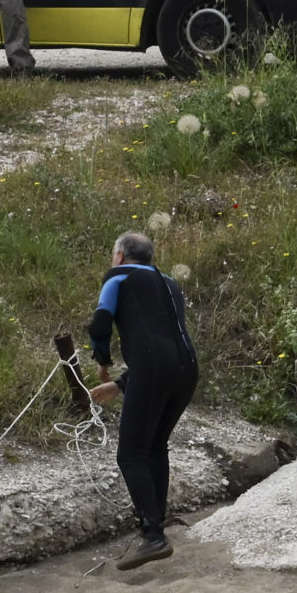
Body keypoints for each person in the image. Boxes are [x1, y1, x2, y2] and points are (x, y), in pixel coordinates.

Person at [86, 229, 200, 571]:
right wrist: (122, 385)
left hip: (154, 368)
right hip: (188, 369)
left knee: (131, 453)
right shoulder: (169, 284)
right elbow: (164, 340)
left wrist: (102, 358)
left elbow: (101, 319)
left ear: (120, 255)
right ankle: (156, 527)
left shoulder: (117, 278)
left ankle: (153, 536)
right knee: (154, 447)